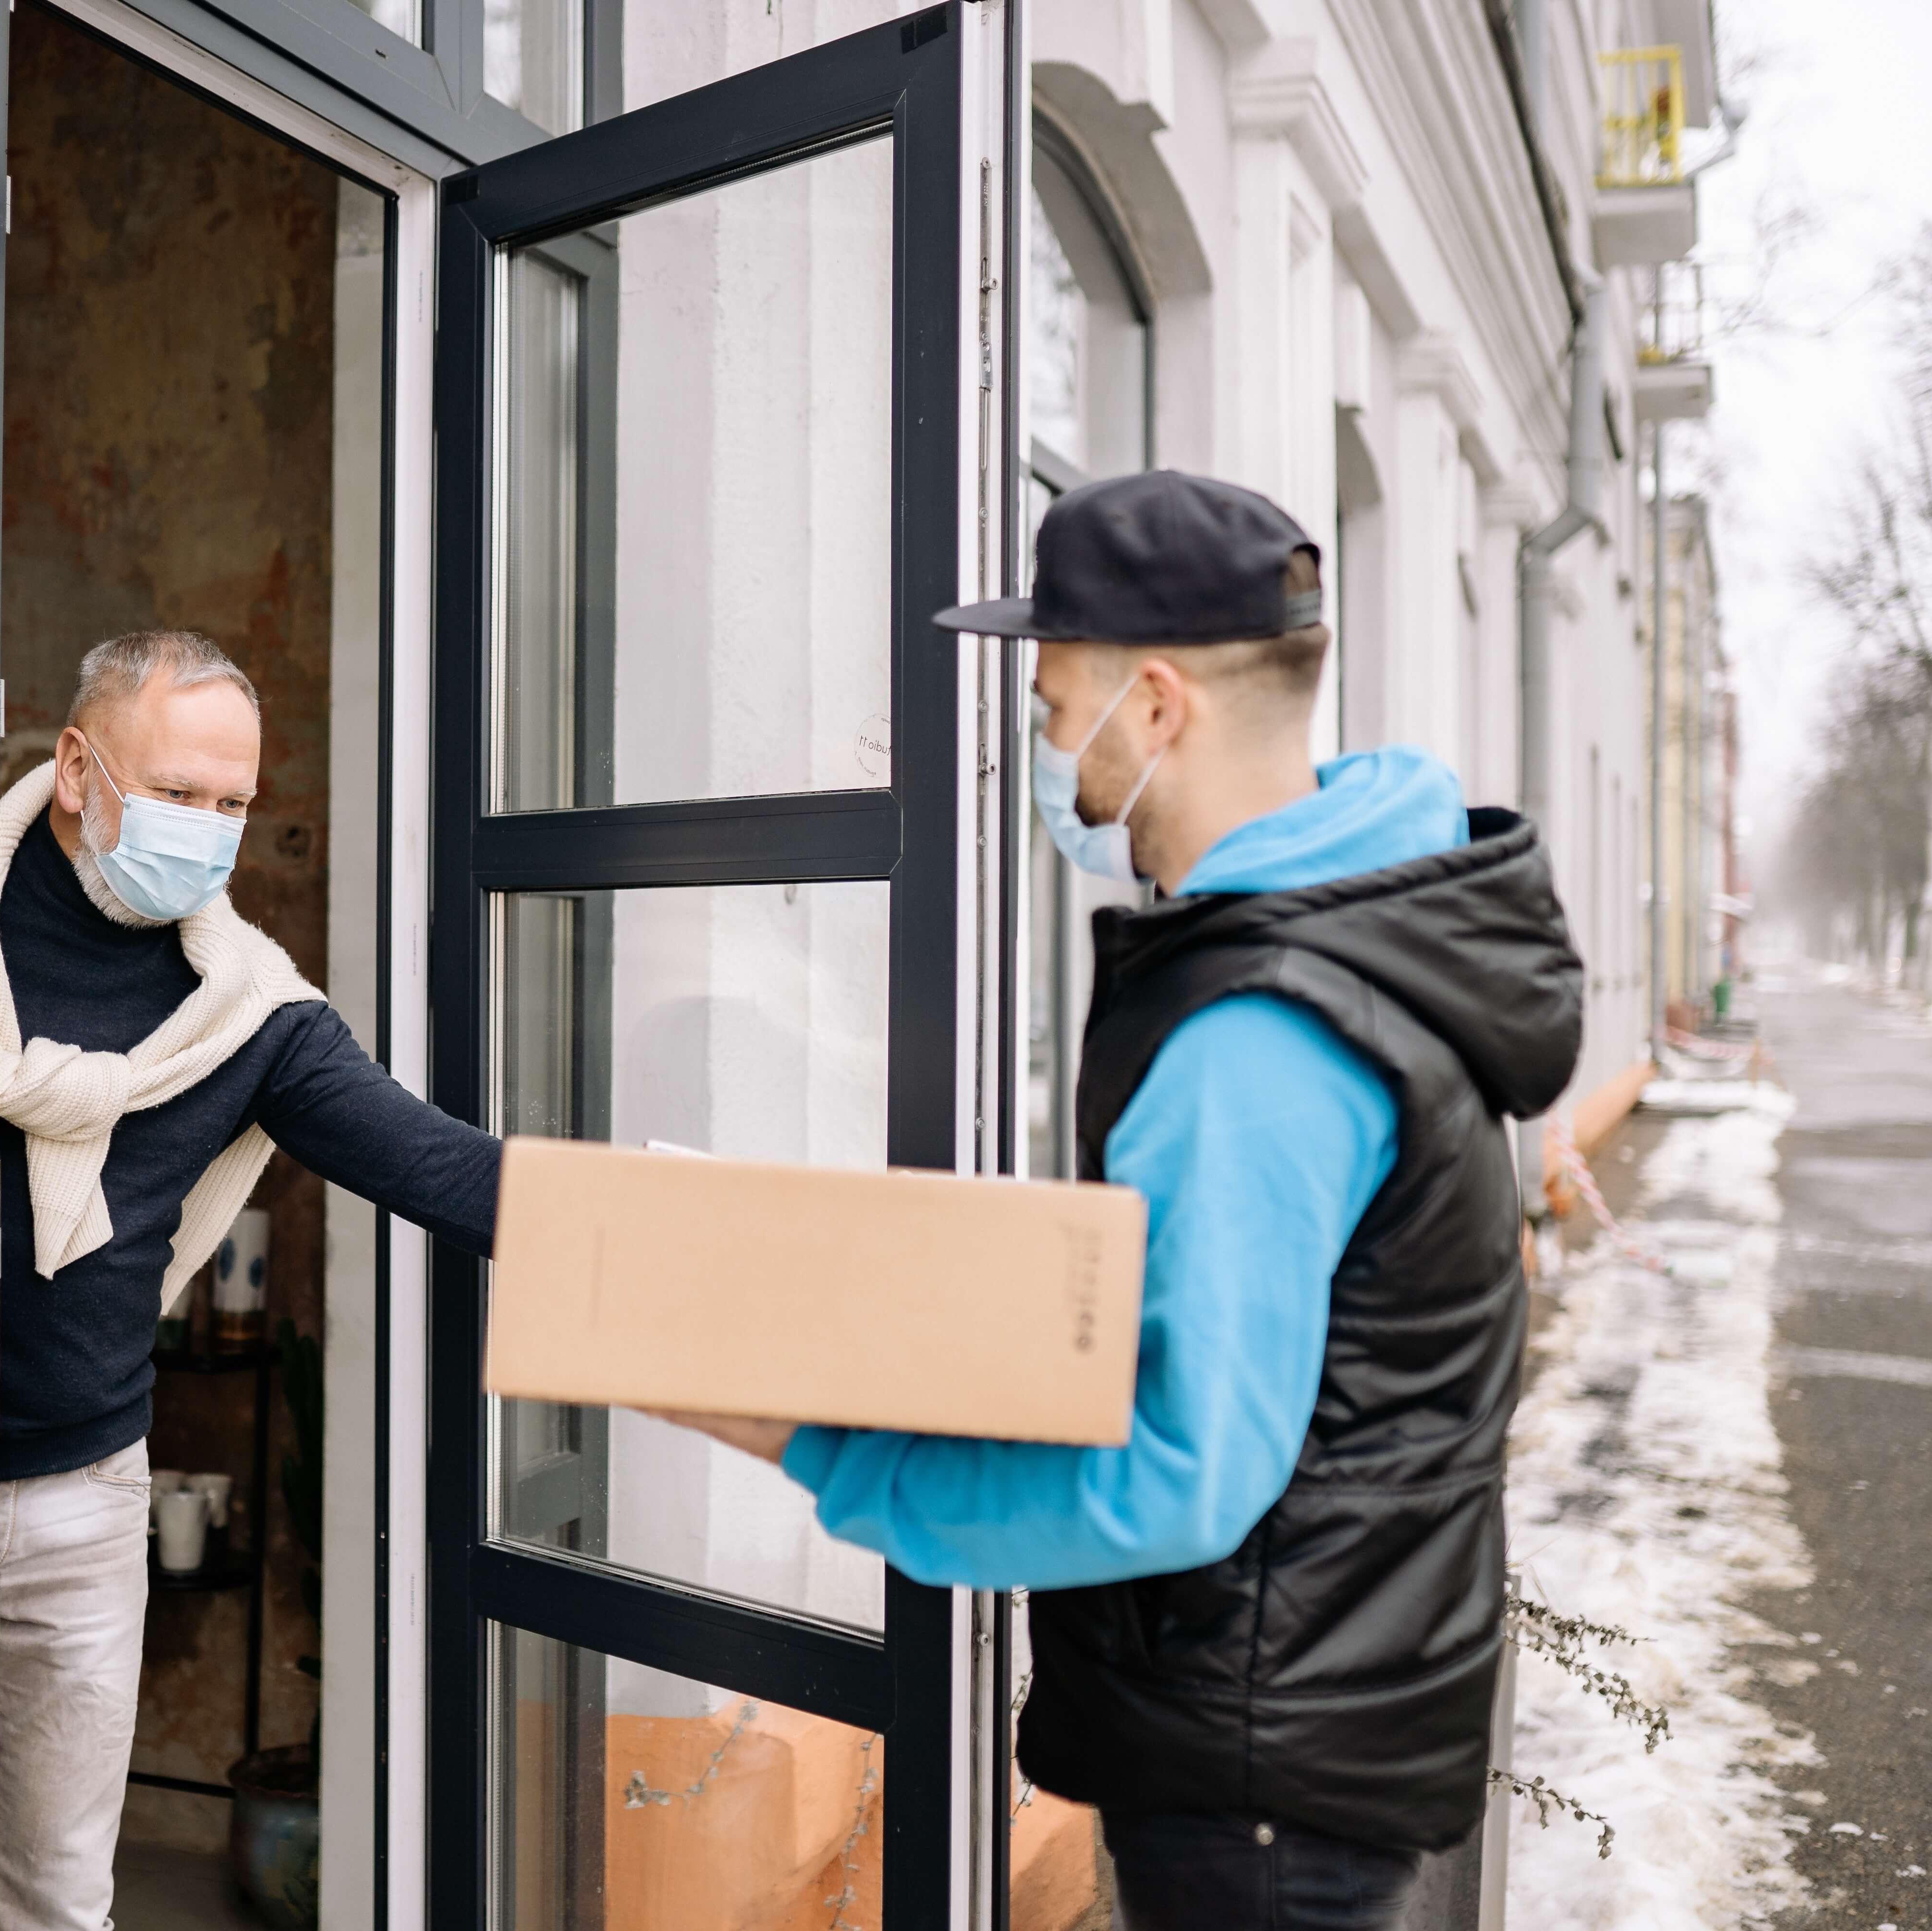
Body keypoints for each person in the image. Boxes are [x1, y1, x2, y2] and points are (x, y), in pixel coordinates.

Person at [659, 472, 1583, 1930]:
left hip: (1259, 1791)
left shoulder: (1261, 1044)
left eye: (1053, 705)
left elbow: (1181, 1474)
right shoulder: (1371, 938)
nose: (1049, 749)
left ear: (1156, 708)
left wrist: (821, 1441)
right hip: (1312, 1728)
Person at [0, 629, 499, 1931]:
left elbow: (448, 1170)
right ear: (75, 767)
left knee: (53, 1890)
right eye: (175, 795)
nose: (205, 832)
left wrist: (729, 1235)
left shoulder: (249, 1015)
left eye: (231, 806)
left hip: (75, 1498)